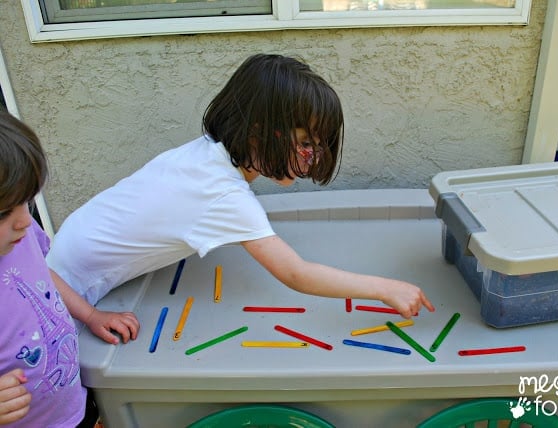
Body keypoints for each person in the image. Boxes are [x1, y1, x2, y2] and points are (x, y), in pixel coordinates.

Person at [46, 53, 435, 329]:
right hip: (61, 294)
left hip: (61, 260)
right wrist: (387, 288)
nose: (311, 157)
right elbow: (296, 274)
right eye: (304, 143)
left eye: (317, 145)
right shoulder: (222, 195)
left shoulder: (206, 156)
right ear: (258, 132)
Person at [0, 110, 137, 427]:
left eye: (28, 202)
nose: (24, 220)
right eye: (4, 213)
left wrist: (89, 314)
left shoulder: (19, 235)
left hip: (71, 405)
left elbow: (42, 278)